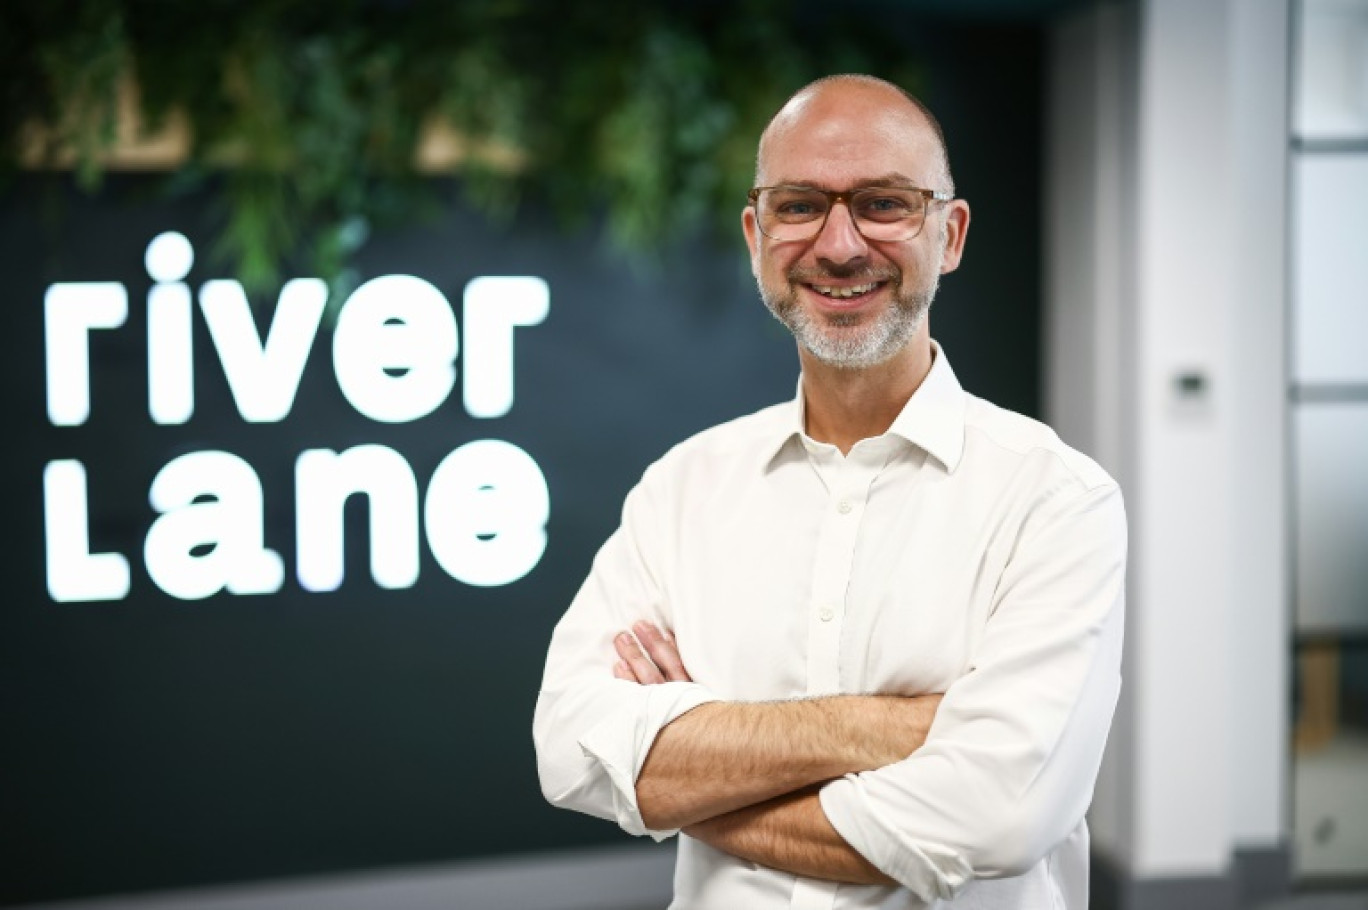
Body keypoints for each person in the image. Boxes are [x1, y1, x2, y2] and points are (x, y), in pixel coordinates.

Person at [533, 73, 1126, 909]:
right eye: (800, 204)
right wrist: (885, 727)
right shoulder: (683, 489)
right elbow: (568, 748)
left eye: (884, 203)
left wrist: (691, 779)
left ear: (950, 234)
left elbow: (1000, 817)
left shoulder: (1056, 499)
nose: (839, 245)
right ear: (755, 232)